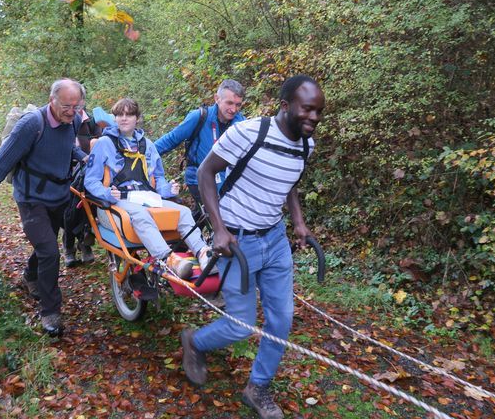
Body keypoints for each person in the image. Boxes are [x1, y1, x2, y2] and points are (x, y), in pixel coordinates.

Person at [181, 75, 325, 419]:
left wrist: (298, 222)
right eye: (308, 109)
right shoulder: (249, 133)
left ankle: (257, 387)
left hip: (274, 239)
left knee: (282, 319)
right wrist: (218, 229)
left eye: (319, 111)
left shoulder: (306, 145)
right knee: (241, 324)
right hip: (237, 242)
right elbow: (205, 173)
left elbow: (287, 183)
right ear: (286, 105)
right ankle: (194, 342)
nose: (314, 118)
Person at [0, 78, 87, 336]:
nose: (72, 111)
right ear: (52, 100)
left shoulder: (74, 120)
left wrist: (85, 157)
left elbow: (68, 149)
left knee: (46, 246)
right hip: (31, 199)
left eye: (76, 105)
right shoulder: (32, 124)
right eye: (67, 106)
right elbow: (1, 162)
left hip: (59, 196)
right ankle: (50, 312)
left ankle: (30, 275)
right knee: (50, 251)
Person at [84, 98, 210, 279]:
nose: (124, 118)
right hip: (117, 200)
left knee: (183, 212)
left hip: (146, 197)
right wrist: (107, 193)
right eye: (120, 114)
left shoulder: (148, 146)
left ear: (137, 118)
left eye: (129, 114)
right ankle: (167, 259)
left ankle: (203, 253)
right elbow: (91, 181)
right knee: (141, 215)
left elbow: (157, 179)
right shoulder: (104, 143)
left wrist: (168, 189)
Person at [154, 80, 246, 232]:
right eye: (229, 103)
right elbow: (171, 140)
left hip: (226, 179)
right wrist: (142, 154)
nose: (233, 109)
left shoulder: (241, 123)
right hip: (198, 177)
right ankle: (216, 246)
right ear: (217, 99)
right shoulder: (200, 117)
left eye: (238, 105)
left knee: (202, 216)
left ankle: (183, 239)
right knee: (217, 218)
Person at [63, 99, 102, 267]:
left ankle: (85, 245)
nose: (75, 106)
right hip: (65, 170)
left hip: (88, 171)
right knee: (69, 210)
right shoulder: (63, 120)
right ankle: (69, 248)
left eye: (78, 102)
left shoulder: (92, 122)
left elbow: (101, 143)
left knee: (87, 208)